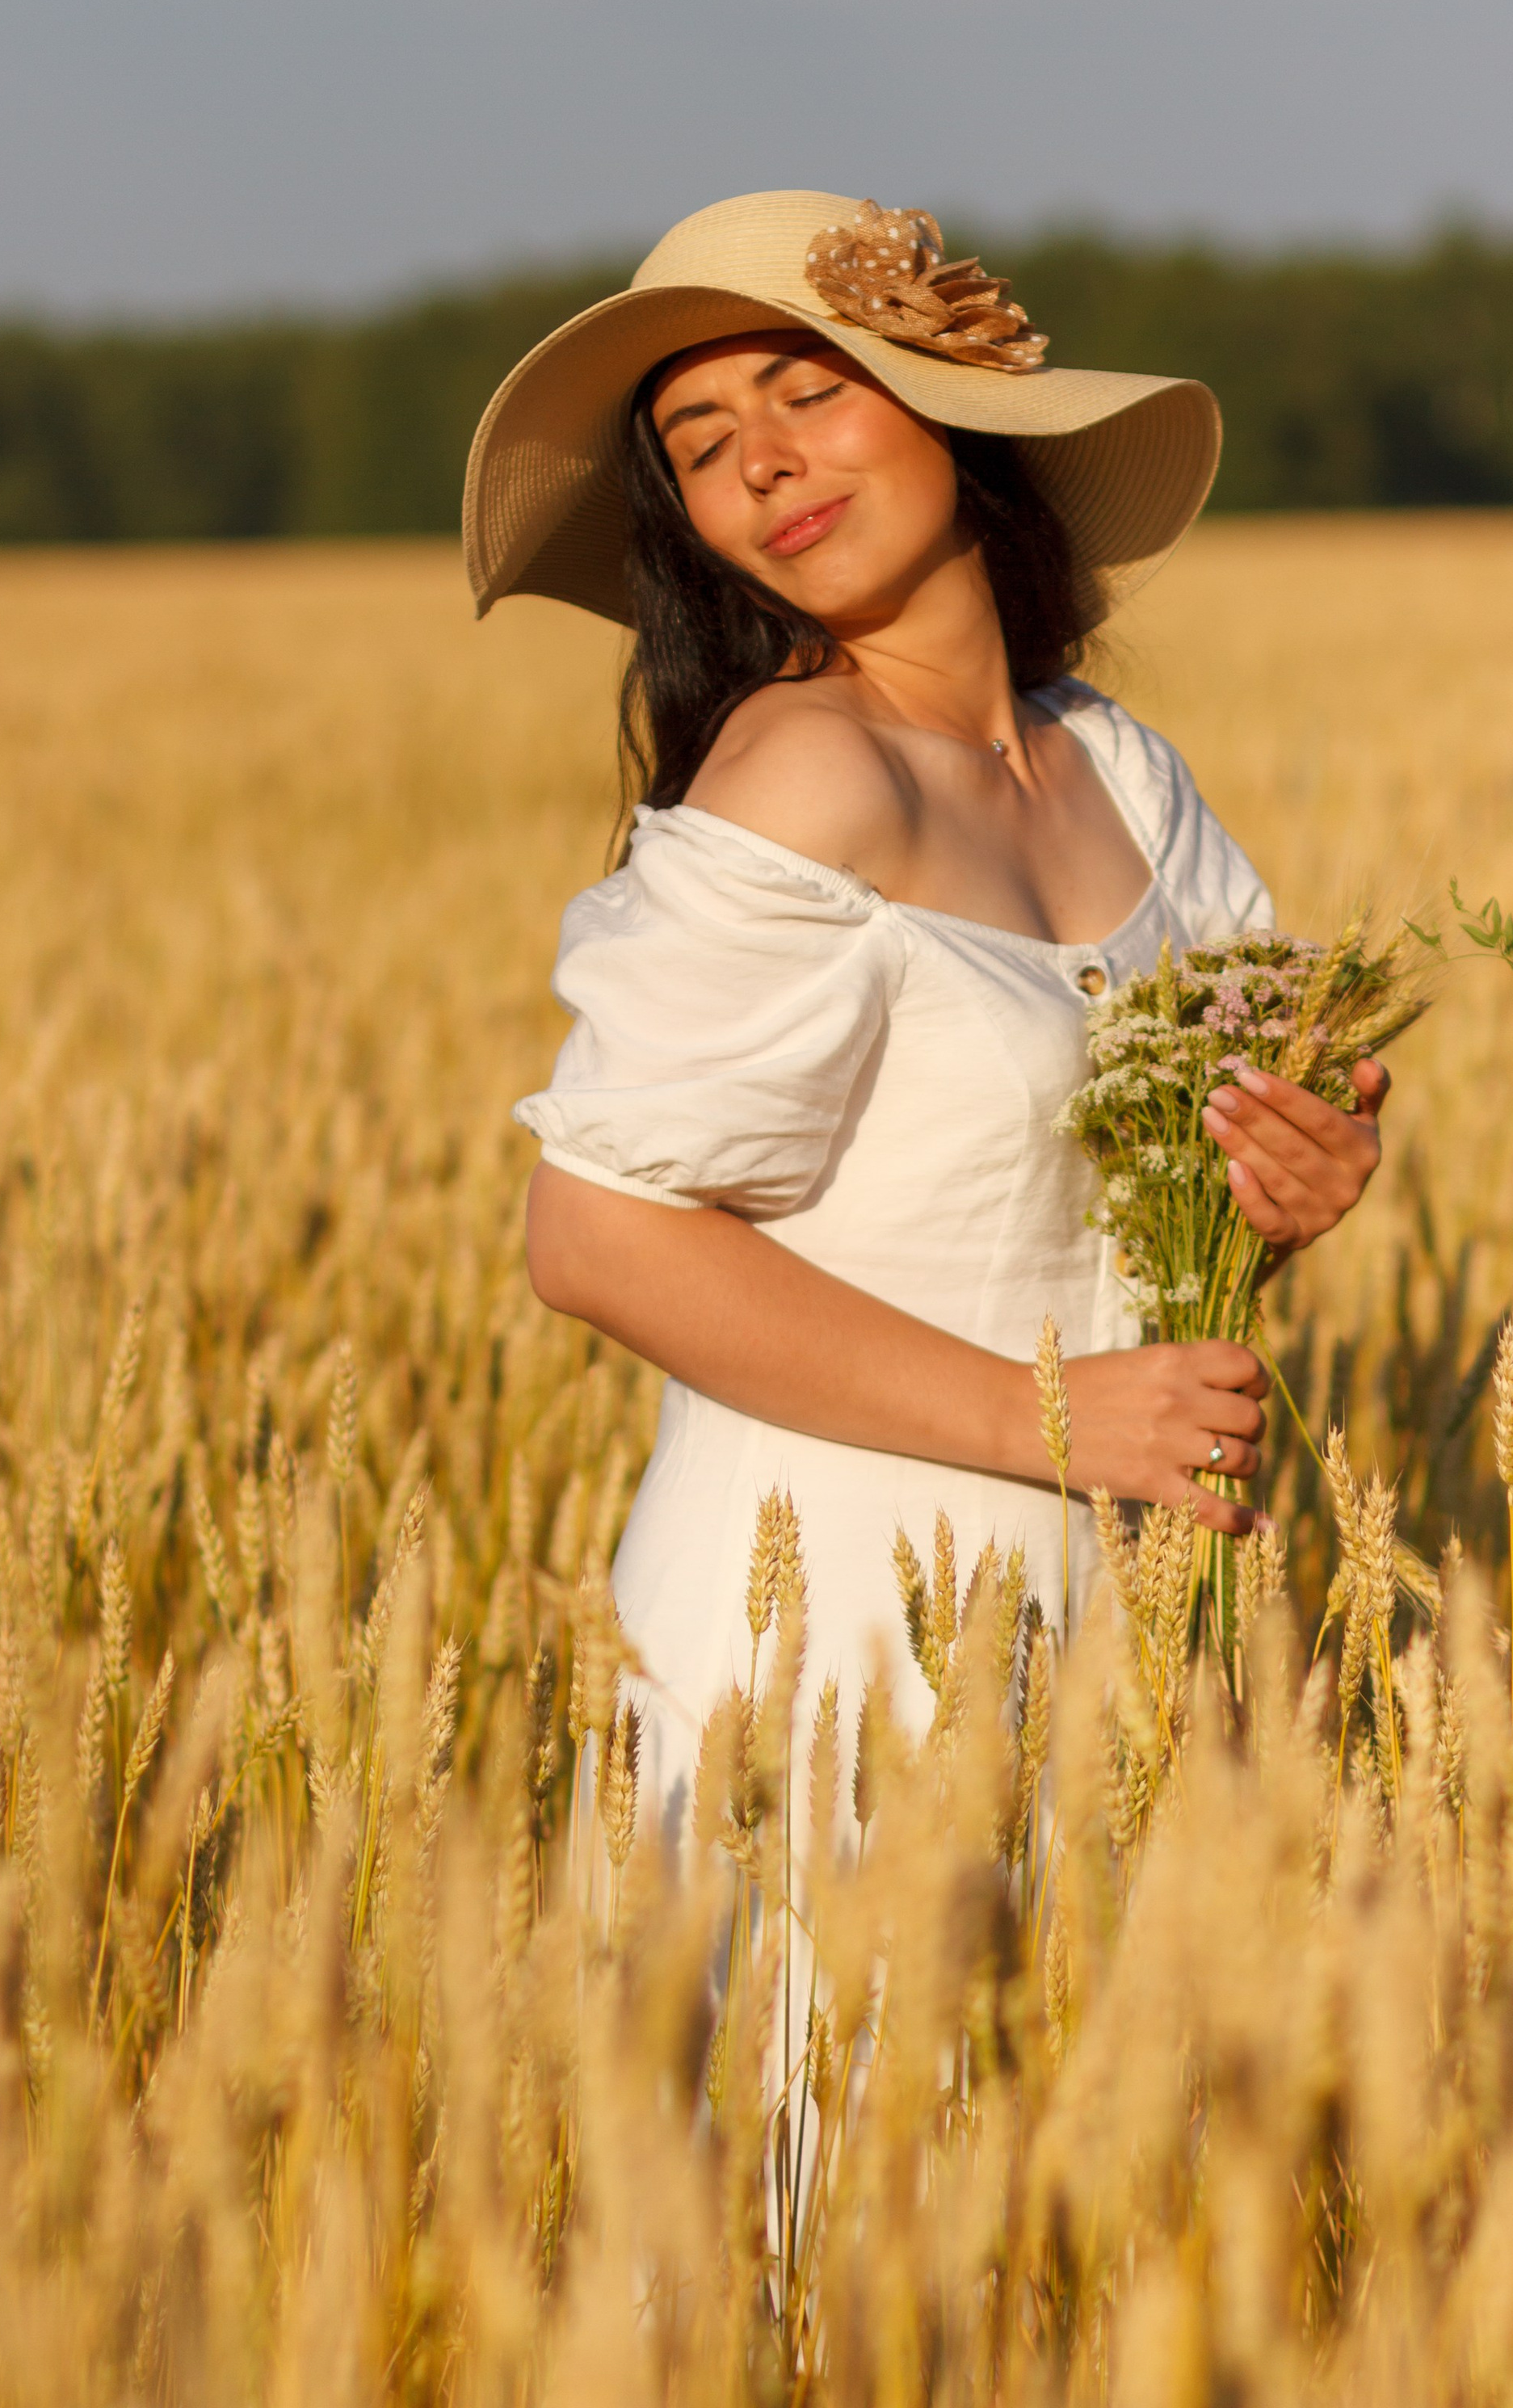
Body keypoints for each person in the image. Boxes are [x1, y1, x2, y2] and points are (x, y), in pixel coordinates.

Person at [464, 190, 1388, 1851]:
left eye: (806, 391)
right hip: (826, 1628)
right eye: (697, 436)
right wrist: (1046, 1417)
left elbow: (1190, 1170)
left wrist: (1297, 1181)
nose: (756, 458)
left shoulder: (1115, 768)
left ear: (958, 417)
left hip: (1118, 1604)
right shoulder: (801, 768)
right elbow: (591, 1238)